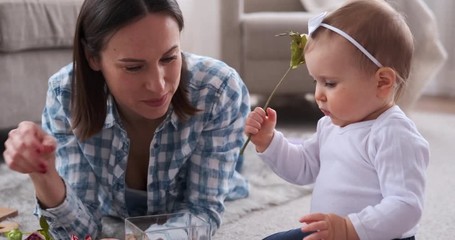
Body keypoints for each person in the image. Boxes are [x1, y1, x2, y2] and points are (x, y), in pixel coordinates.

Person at [2, 0, 250, 239]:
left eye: (169, 58)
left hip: (213, 142)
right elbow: (80, 231)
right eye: (133, 67)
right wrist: (43, 175)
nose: (158, 85)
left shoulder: (218, 89)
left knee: (235, 174)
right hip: (114, 205)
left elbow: (203, 211)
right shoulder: (66, 94)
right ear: (93, 58)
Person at [244, 0, 429, 239]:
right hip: (328, 233)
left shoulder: (394, 134)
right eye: (316, 82)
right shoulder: (330, 125)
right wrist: (269, 141)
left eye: (330, 83)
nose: (318, 94)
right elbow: (303, 168)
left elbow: (406, 206)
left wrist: (350, 228)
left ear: (382, 82)